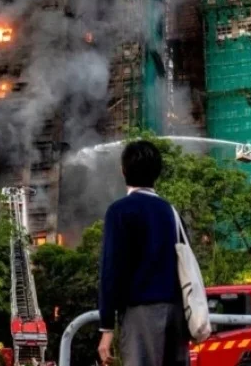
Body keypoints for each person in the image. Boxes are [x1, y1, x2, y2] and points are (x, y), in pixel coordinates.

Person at [98, 140, 188, 366]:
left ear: (123, 171)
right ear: (157, 173)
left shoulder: (119, 211)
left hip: (141, 315)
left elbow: (111, 271)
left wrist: (107, 327)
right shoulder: (171, 212)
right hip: (176, 315)